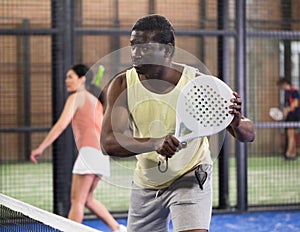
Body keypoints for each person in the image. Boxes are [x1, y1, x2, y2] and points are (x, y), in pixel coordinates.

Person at [101, 14, 255, 232]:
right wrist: (154, 143)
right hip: (147, 182)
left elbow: (248, 134)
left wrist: (237, 122)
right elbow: (108, 143)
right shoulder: (122, 85)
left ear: (167, 50)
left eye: (144, 48)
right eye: (133, 46)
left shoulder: (197, 84)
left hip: (190, 175)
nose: (135, 54)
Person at [30, 64, 127, 232]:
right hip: (102, 156)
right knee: (87, 199)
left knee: (77, 201)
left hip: (90, 153)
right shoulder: (96, 100)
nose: (67, 80)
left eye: (70, 77)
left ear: (82, 79)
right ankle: (118, 228)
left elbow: (61, 125)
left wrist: (40, 147)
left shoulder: (77, 98)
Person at [277, 78, 300, 160]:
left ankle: (289, 153)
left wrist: (288, 109)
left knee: (291, 135)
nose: (281, 88)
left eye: (281, 86)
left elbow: (296, 104)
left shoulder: (294, 91)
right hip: (289, 116)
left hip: (294, 116)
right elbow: (287, 106)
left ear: (285, 84)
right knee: (290, 135)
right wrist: (284, 113)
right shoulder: (287, 93)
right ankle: (292, 154)